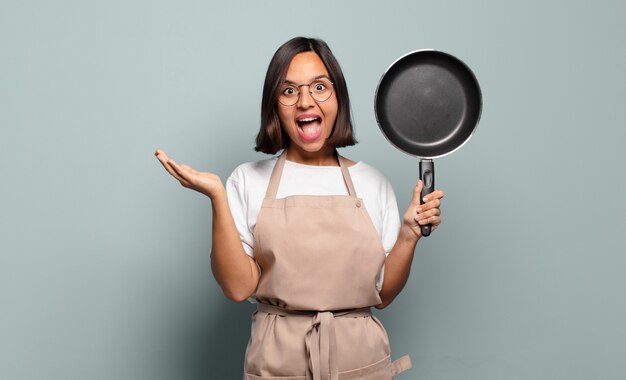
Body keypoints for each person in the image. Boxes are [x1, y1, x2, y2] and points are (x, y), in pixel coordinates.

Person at [155, 37, 444, 379]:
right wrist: (218, 196)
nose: (306, 102)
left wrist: (409, 235)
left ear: (338, 98)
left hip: (360, 362)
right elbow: (237, 288)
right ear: (274, 105)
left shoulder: (372, 182)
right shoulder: (248, 180)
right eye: (289, 91)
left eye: (320, 87)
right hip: (277, 364)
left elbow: (382, 294)